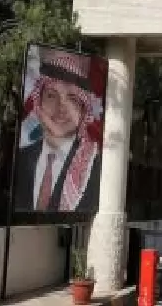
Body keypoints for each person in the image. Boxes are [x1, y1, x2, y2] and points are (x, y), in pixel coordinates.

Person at [14, 49, 103, 213]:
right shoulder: (19, 158)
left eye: (72, 99)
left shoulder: (97, 168)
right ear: (38, 103)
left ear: (84, 111)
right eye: (51, 96)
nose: (61, 108)